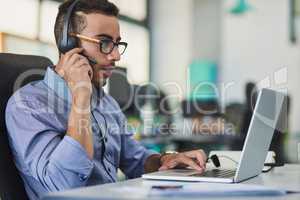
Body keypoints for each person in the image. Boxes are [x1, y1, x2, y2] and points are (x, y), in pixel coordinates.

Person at [5, 0, 207, 199]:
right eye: (105, 43)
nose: (117, 55)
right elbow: (65, 185)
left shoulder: (105, 102)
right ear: (69, 44)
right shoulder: (29, 105)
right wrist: (80, 98)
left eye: (117, 44)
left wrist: (167, 159)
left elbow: (135, 160)